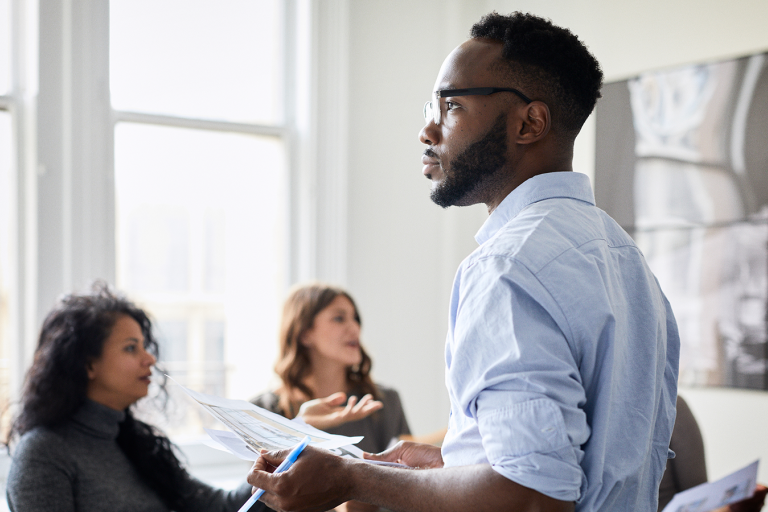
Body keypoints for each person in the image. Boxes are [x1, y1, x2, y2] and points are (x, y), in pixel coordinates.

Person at [246, 11, 679, 512]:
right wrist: (460, 464)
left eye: (451, 105)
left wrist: (353, 479)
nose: (427, 129)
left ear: (529, 122)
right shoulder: (626, 260)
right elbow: (567, 471)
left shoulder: (506, 267)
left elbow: (531, 499)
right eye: (430, 106)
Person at [4, 283, 264, 512]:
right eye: (131, 348)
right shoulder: (43, 453)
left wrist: (278, 463)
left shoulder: (136, 444)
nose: (149, 359)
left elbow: (222, 507)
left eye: (144, 346)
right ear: (88, 364)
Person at [251, 283, 411, 456]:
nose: (355, 328)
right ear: (305, 334)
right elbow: (263, 480)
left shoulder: (383, 401)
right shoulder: (262, 411)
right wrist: (301, 428)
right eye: (339, 318)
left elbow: (407, 475)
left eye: (355, 319)